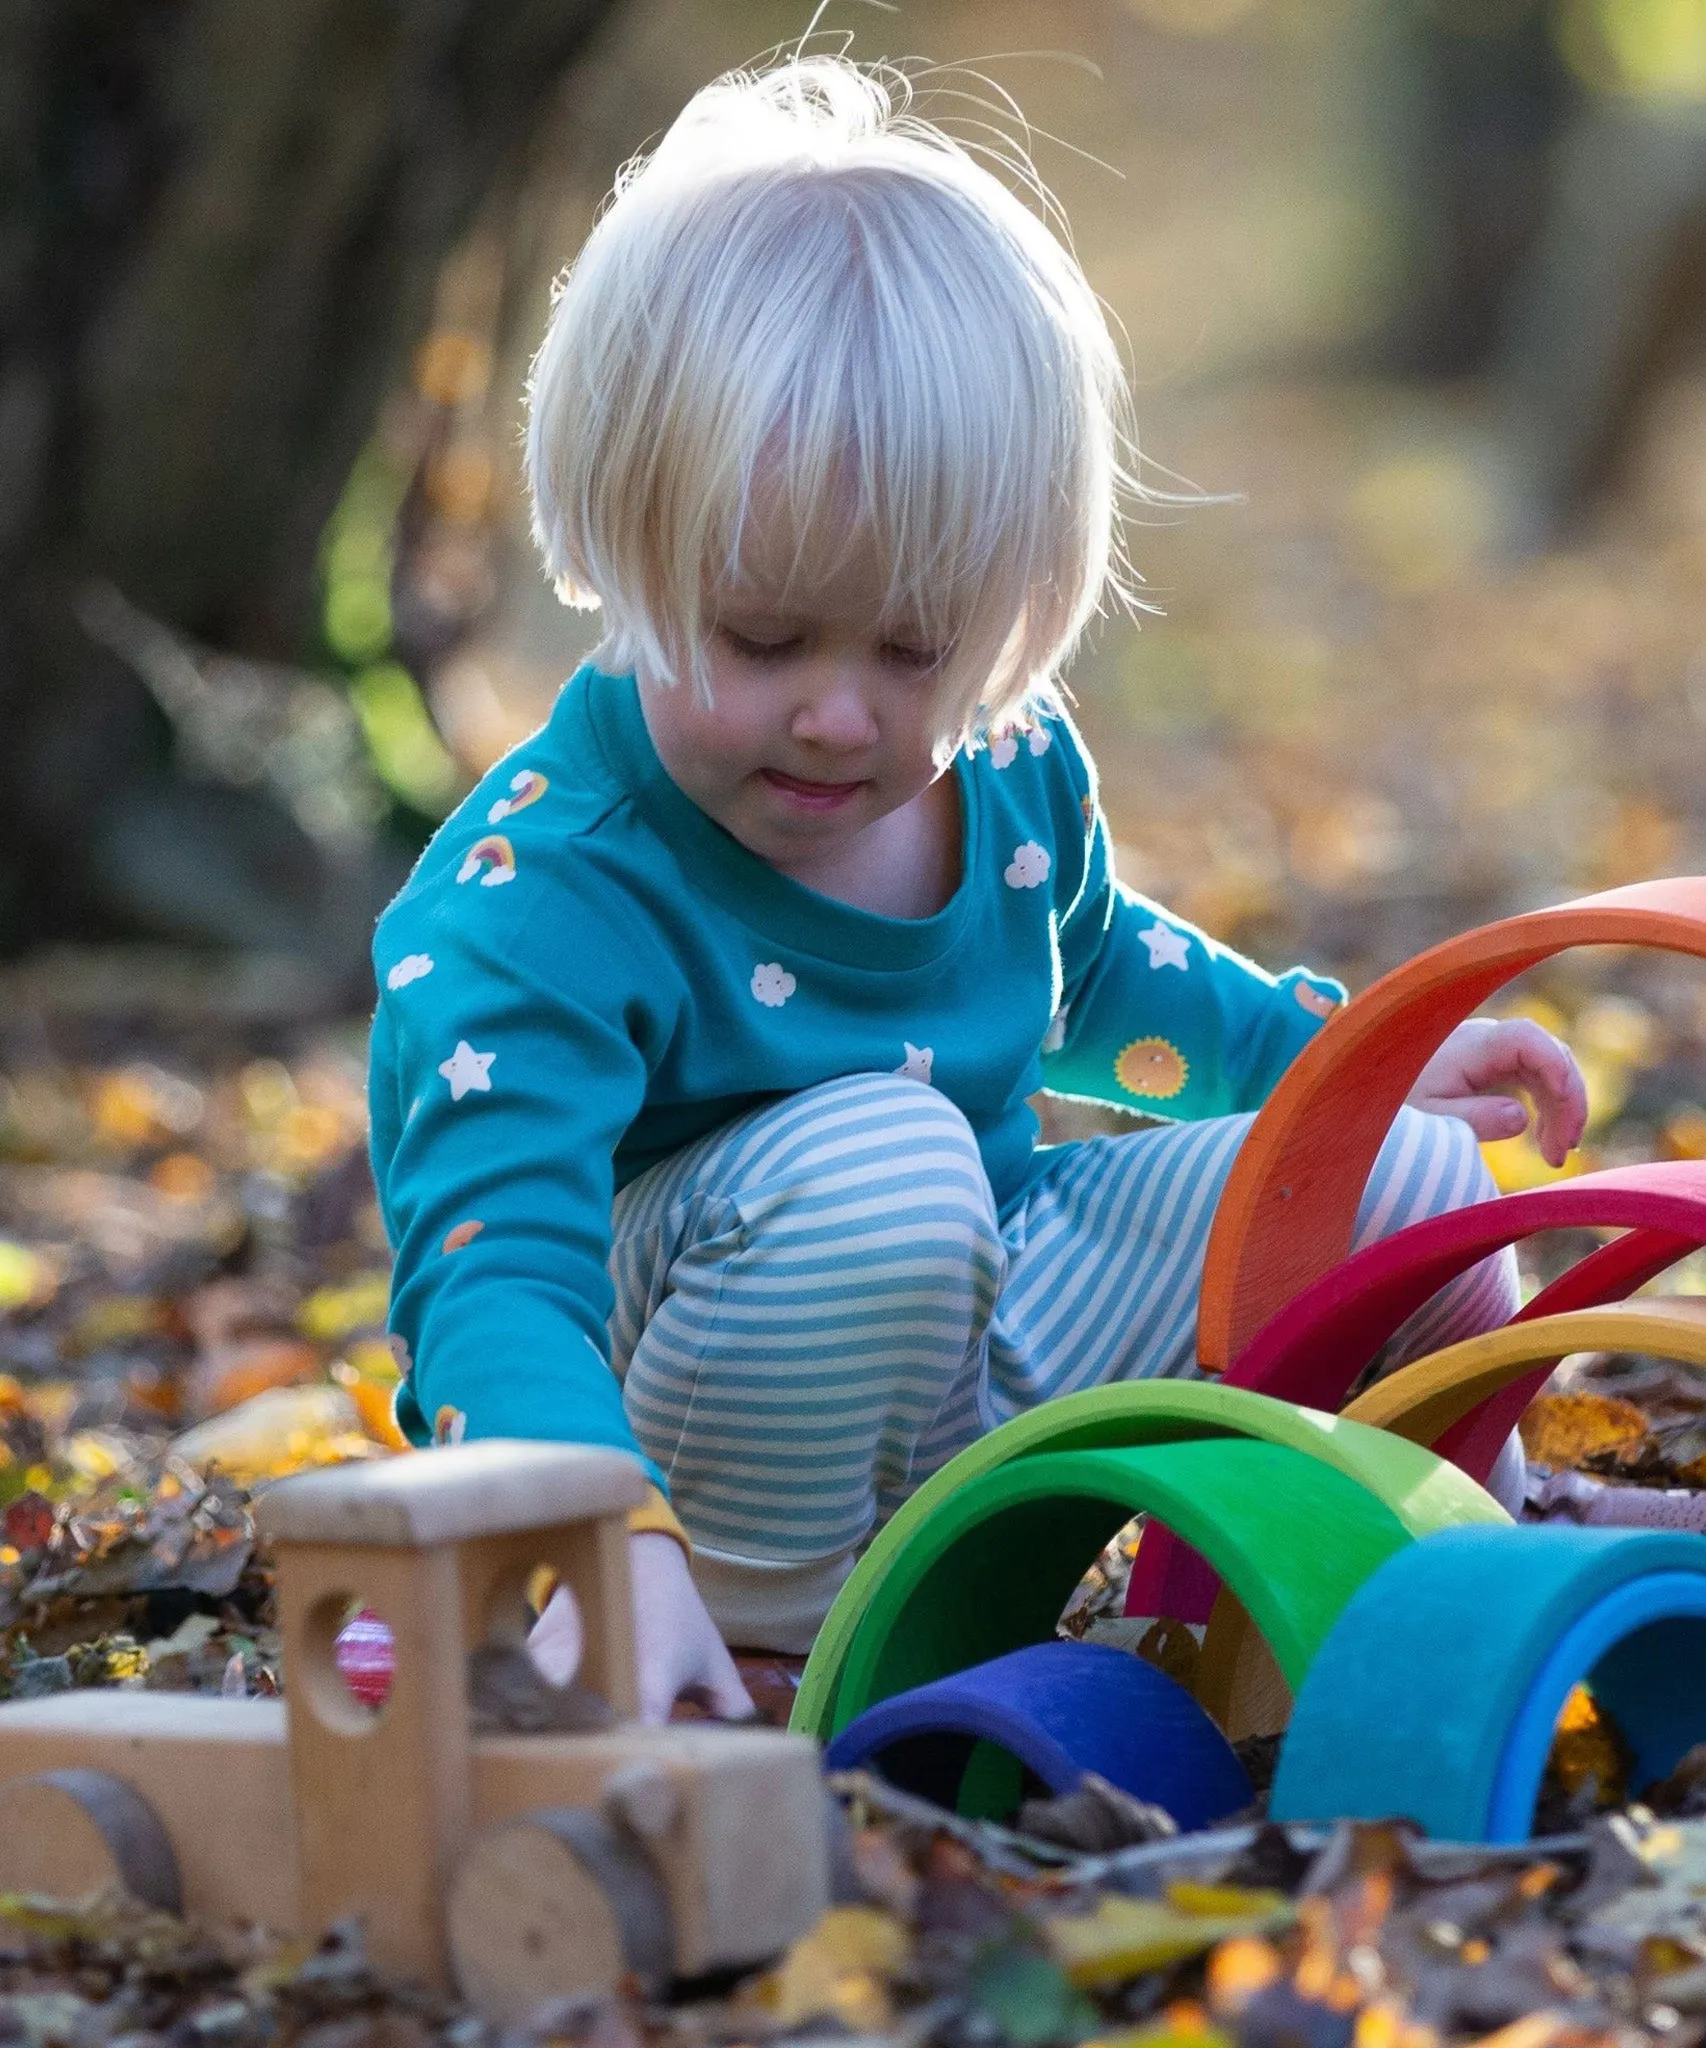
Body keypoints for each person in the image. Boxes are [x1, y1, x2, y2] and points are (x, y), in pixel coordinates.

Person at [367, 54, 1587, 1725]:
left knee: (1409, 1175)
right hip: (672, 1432)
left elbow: (1103, 980)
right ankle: (759, 1645)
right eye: (764, 636)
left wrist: (1344, 1066)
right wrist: (599, 1534)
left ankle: (1452, 1550)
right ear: (623, 543)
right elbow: (492, 1277)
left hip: (973, 1318)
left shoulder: (998, 770)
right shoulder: (538, 897)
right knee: (885, 1163)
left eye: (917, 644)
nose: (845, 713)